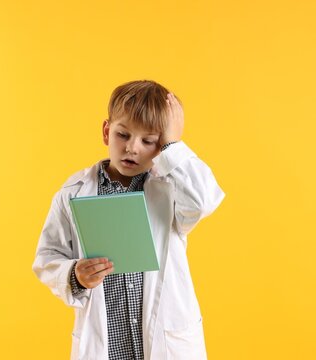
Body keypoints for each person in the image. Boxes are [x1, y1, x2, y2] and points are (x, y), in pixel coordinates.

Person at [32, 80, 225, 360]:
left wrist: (175, 146)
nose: (132, 148)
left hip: (165, 345)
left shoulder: (172, 189)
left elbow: (204, 200)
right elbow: (47, 257)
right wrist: (74, 275)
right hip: (106, 346)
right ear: (106, 131)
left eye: (148, 141)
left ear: (161, 148)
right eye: (123, 135)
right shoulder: (72, 193)